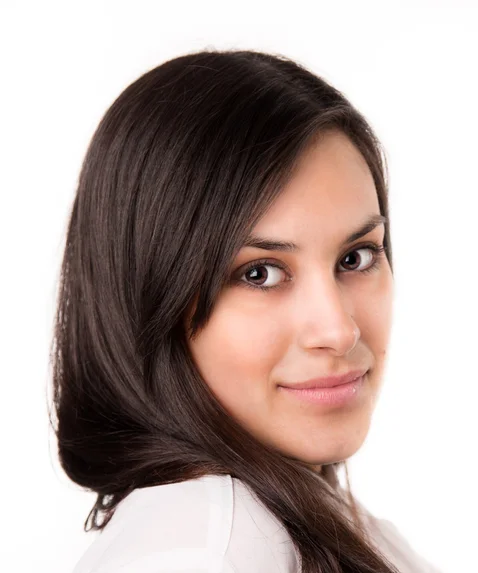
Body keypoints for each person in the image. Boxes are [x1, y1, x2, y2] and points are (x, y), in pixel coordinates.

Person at [50, 48, 442, 573]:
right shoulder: (206, 552)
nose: (338, 329)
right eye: (259, 273)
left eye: (356, 257)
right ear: (149, 294)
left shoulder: (301, 527)